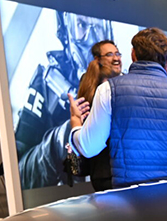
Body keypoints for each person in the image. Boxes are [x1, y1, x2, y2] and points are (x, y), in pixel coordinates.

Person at [69, 28, 167, 187]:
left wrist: (75, 122)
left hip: (126, 197)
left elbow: (89, 148)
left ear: (133, 54)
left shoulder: (108, 91)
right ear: (166, 60)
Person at [14, 12, 112, 190]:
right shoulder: (45, 84)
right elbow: (20, 174)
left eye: (97, 27)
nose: (92, 38)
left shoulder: (120, 87)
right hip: (81, 195)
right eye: (81, 25)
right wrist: (64, 138)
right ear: (65, 30)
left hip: (118, 190)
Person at [75, 40, 123, 191]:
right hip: (103, 169)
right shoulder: (90, 88)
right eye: (109, 54)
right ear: (97, 59)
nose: (116, 58)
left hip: (124, 168)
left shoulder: (126, 82)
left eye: (117, 53)